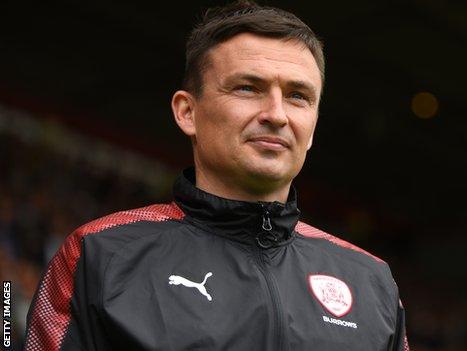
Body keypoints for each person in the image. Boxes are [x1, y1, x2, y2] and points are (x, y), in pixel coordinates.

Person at [24, 1, 409, 350]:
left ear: (313, 125)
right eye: (248, 88)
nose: (277, 114)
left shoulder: (371, 282)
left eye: (298, 96)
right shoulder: (99, 255)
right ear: (187, 112)